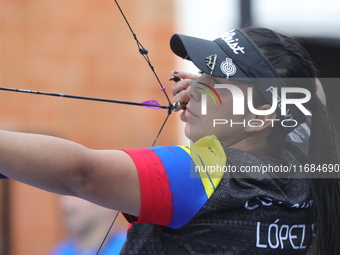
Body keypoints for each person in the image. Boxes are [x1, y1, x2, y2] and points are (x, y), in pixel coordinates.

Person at [0, 27, 339, 254]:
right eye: (201, 72)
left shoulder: (208, 170)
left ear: (261, 115)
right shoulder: (302, 171)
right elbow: (313, 100)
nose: (190, 88)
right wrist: (216, 90)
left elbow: (80, 173)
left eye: (214, 79)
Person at [50, 196, 127, 255]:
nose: (68, 205)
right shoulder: (61, 250)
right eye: (64, 194)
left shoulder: (131, 248)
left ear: (109, 202)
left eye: (79, 195)